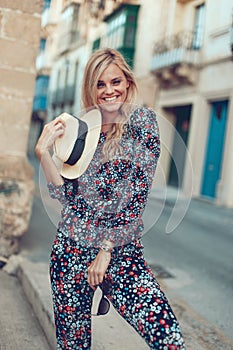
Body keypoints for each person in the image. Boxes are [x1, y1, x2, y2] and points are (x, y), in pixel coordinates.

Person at [35, 48, 186, 350]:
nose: (109, 91)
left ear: (128, 83)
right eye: (100, 84)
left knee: (169, 339)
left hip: (120, 254)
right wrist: (43, 154)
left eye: (115, 82)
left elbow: (136, 198)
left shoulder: (142, 123)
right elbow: (65, 196)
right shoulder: (81, 130)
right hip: (69, 253)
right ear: (91, 88)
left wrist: (105, 251)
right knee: (73, 346)